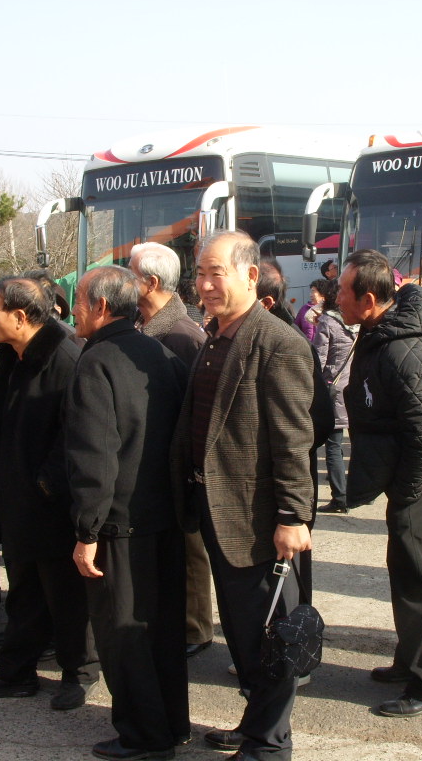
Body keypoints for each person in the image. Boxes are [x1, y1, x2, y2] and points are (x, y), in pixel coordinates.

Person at [171, 230, 314, 761]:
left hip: (258, 520)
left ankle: (270, 744)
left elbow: (293, 439)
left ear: (251, 276)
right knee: (241, 630)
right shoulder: (215, 336)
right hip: (216, 511)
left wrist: (293, 516)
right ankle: (256, 723)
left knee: (269, 634)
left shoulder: (278, 342)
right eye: (199, 274)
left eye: (217, 273)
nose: (205, 284)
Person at [336, 249, 422, 719]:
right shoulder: (385, 331)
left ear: (369, 300)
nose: (335, 298)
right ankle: (409, 661)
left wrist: (408, 493)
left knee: (419, 577)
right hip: (412, 472)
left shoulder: (398, 349)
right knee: (403, 567)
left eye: (342, 291)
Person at [68, 266, 189, 761]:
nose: (72, 311)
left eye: (78, 301)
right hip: (165, 517)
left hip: (119, 524)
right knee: (161, 631)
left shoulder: (96, 361)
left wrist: (86, 531)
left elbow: (95, 455)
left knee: (123, 635)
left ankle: (143, 735)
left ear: (100, 307)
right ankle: (171, 725)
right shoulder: (159, 353)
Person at [0, 277, 99, 711]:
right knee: (24, 593)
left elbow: (76, 436)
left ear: (20, 317)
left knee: (67, 597)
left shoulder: (66, 359)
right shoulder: (10, 358)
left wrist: (44, 484)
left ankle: (79, 673)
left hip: (52, 506)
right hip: (15, 502)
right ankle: (16, 672)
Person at [128, 242, 212, 659]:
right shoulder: (143, 325)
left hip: (179, 460)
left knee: (189, 545)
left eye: (130, 274)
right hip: (152, 457)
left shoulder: (182, 334)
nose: (125, 282)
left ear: (150, 282)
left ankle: (196, 628)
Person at [314, 280, 358, 515]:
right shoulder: (356, 321)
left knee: (333, 445)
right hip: (356, 386)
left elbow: (319, 358)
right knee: (359, 443)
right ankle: (363, 491)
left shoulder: (327, 322)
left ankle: (340, 497)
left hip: (334, 387)